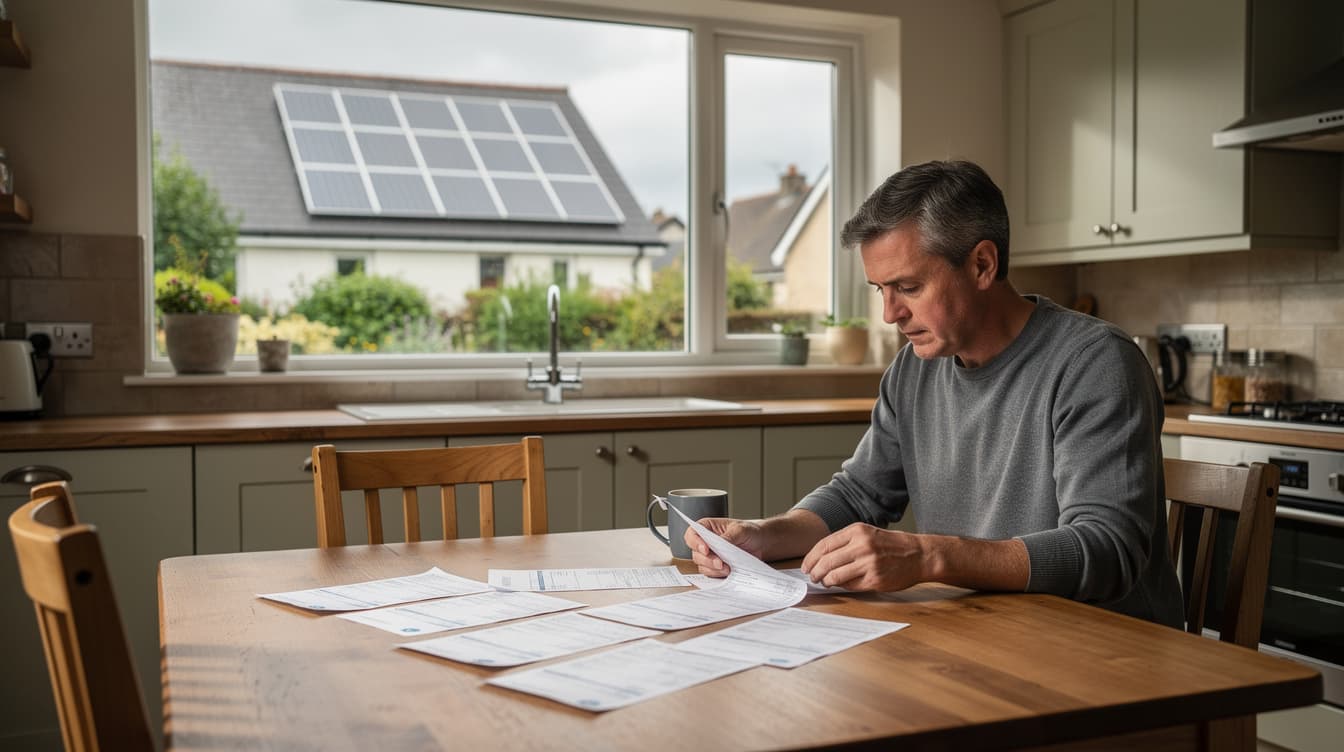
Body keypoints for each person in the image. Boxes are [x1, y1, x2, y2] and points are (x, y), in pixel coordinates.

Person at [687, 159, 1184, 627]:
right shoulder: (915, 368)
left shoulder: (1095, 363)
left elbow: (1107, 550)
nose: (889, 314)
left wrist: (927, 556)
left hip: (1106, 661)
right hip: (983, 634)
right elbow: (859, 494)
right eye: (879, 289)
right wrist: (764, 536)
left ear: (982, 265)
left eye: (907, 286)